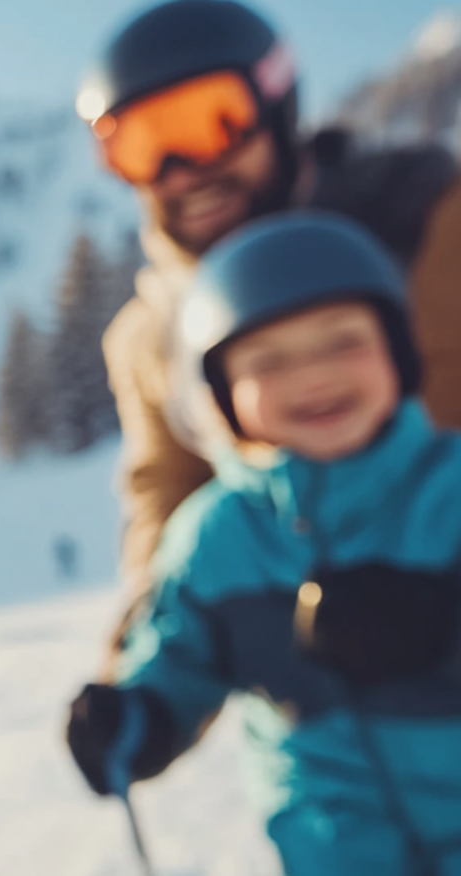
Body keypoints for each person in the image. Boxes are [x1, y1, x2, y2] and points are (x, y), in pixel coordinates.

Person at [65, 213, 461, 875]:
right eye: (269, 361)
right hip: (332, 848)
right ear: (220, 393)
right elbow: (180, 650)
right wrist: (139, 714)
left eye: (342, 342)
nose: (313, 376)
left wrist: (440, 623)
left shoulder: (449, 489)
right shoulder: (218, 534)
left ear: (398, 350)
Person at [76, 0, 461, 647]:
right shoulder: (148, 337)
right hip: (312, 676)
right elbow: (165, 495)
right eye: (143, 143)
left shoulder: (425, 219)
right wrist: (149, 651)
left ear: (275, 105)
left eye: (208, 123)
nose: (182, 169)